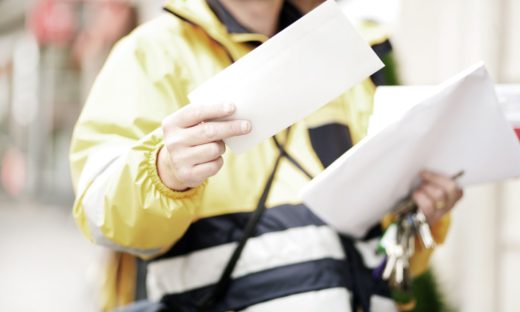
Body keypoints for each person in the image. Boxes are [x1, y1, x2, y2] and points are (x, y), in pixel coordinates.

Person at [69, 0, 463, 311]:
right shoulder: (150, 53)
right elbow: (100, 212)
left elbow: (381, 253)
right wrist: (162, 172)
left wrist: (416, 221)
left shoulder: (340, 55)